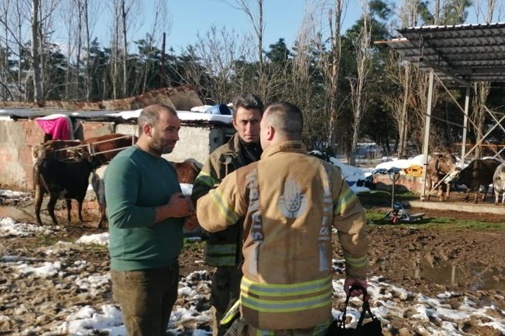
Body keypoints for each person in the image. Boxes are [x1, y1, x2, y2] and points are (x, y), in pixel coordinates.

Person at [196, 101, 369, 335]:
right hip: (314, 310)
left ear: (268, 131)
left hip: (262, 311)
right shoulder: (329, 175)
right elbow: (355, 228)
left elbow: (208, 218)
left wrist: (217, 190)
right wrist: (356, 275)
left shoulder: (247, 176)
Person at [105, 104, 195, 336]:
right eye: (170, 130)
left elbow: (171, 209)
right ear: (147, 129)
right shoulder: (126, 164)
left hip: (167, 268)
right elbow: (121, 216)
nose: (176, 136)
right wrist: (170, 210)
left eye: (177, 130)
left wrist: (185, 218)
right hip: (138, 273)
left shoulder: (165, 167)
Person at [190, 93, 264, 334]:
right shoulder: (219, 159)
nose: (249, 127)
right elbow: (200, 197)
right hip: (230, 260)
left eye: (254, 121)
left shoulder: (274, 157)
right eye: (244, 121)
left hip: (268, 257)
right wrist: (227, 197)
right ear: (234, 123)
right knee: (227, 317)